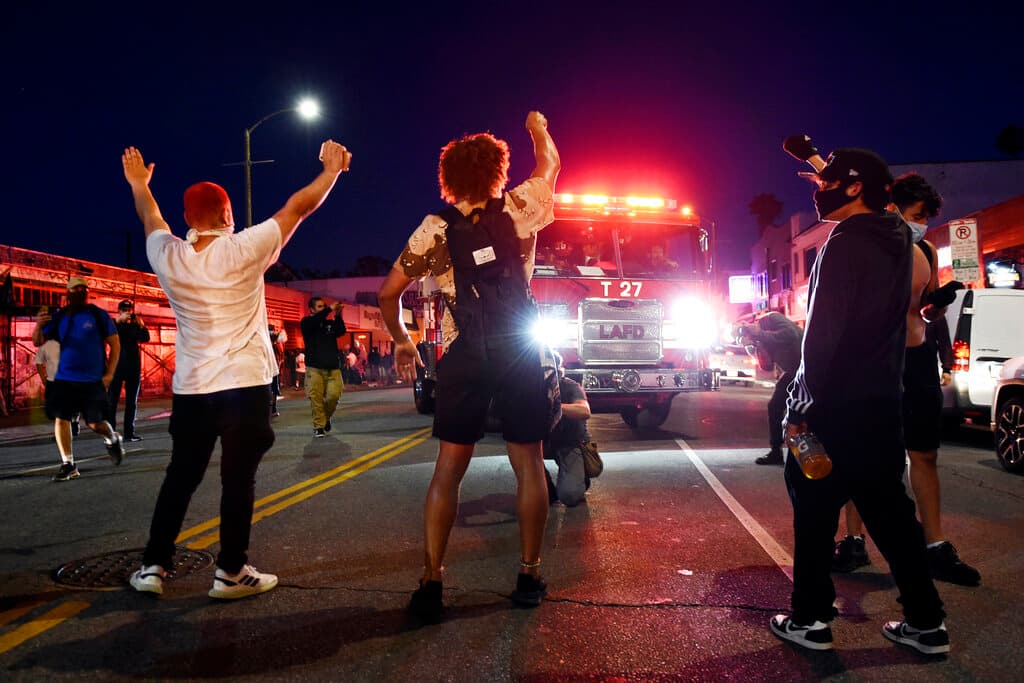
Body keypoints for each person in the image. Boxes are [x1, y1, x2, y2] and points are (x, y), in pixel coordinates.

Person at [121, 138, 351, 599]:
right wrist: (329, 174)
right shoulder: (245, 248)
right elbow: (296, 209)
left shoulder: (167, 255)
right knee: (237, 479)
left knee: (180, 477)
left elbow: (152, 219)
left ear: (187, 220)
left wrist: (140, 185)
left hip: (192, 387)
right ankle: (230, 571)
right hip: (243, 386)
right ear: (228, 217)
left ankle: (152, 567)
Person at [378, 110, 559, 622]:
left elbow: (388, 293)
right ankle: (528, 574)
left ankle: (432, 583)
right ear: (498, 173)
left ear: (448, 180)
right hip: (520, 353)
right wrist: (537, 130)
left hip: (463, 356)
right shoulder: (523, 206)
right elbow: (551, 165)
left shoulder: (434, 230)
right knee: (528, 465)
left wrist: (402, 342)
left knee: (448, 472)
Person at [770, 142, 948, 655]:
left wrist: (799, 408)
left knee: (814, 510)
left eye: (826, 186)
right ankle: (926, 621)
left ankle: (809, 620)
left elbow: (823, 335)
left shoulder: (842, 244)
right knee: (891, 513)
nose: (819, 192)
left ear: (852, 189)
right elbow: (879, 195)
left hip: (834, 404)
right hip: (880, 402)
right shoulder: (897, 237)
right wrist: (826, 163)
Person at [832, 173, 980, 586]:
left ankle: (936, 547)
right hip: (877, 362)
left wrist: (937, 303)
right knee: (867, 454)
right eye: (918, 216)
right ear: (893, 208)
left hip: (917, 360)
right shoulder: (868, 247)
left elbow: (926, 313)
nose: (923, 226)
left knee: (925, 454)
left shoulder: (926, 250)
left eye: (928, 219)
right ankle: (854, 541)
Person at [32, 278, 125, 481]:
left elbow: (115, 345)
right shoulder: (60, 317)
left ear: (87, 293)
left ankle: (112, 438)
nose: (79, 292)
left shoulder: (97, 315)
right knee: (62, 417)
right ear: (68, 293)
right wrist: (39, 325)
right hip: (65, 379)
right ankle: (68, 464)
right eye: (75, 289)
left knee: (95, 424)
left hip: (92, 381)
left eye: (83, 289)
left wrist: (109, 374)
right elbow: (38, 341)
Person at [735, 311, 803, 465]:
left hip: (808, 367)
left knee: (806, 410)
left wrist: (760, 334)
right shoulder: (759, 342)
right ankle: (776, 452)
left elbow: (790, 334)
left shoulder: (770, 319)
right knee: (774, 406)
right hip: (794, 372)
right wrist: (756, 349)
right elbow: (767, 366)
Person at [543, 355, 593, 507]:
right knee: (518, 448)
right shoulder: (531, 387)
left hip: (569, 443)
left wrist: (555, 407)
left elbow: (584, 411)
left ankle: (581, 477)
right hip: (541, 443)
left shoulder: (570, 386)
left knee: (569, 495)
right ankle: (547, 490)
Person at [300, 297, 346, 437]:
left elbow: (341, 331)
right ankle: (319, 426)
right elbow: (316, 320)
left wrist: (338, 315)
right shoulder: (307, 322)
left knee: (334, 396)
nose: (324, 308)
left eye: (324, 306)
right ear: (312, 309)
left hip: (333, 368)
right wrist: (329, 309)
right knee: (316, 399)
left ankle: (324, 418)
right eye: (320, 306)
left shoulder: (329, 323)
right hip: (314, 368)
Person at [106, 300, 150, 441]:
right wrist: (118, 321)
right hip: (117, 367)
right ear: (119, 311)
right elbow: (107, 334)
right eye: (124, 309)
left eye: (129, 309)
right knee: (112, 402)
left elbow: (145, 338)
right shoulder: (114, 324)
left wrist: (142, 325)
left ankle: (129, 433)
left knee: (132, 403)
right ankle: (111, 434)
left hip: (133, 368)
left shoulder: (135, 326)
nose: (127, 311)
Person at [268, 324, 285, 417]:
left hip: (268, 369)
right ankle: (273, 409)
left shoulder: (272, 342)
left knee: (271, 389)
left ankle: (271, 409)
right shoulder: (274, 343)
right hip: (272, 369)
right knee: (273, 389)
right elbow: (282, 337)